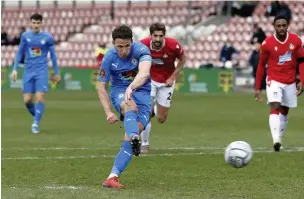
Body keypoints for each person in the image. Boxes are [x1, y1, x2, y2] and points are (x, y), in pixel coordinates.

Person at [98, 25, 152, 188]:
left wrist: (132, 86)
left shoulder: (142, 50)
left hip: (142, 91)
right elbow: (101, 86)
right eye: (119, 46)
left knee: (131, 134)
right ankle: (135, 137)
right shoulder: (108, 57)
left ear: (132, 42)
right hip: (120, 90)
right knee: (129, 106)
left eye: (127, 45)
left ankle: (112, 177)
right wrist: (108, 111)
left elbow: (144, 73)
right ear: (114, 44)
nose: (123, 50)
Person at [254, 15, 304, 152]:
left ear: (288, 26)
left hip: (290, 80)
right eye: (278, 25)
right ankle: (275, 139)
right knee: (275, 104)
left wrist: (302, 81)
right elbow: (261, 65)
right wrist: (257, 87)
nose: (281, 28)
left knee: (285, 109)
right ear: (274, 27)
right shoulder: (267, 44)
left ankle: (279, 141)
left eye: (284, 25)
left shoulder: (296, 40)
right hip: (274, 79)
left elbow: (301, 61)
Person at [140, 23, 186, 153]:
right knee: (145, 113)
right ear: (151, 35)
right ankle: (145, 145)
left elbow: (183, 60)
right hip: (149, 80)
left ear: (164, 35)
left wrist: (172, 76)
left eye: (161, 36)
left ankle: (155, 110)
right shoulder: (142, 45)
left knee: (161, 118)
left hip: (167, 81)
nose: (158, 39)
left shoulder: (173, 45)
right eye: (155, 36)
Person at [11, 13, 61, 134]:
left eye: (38, 23)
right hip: (28, 70)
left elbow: (53, 56)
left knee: (39, 97)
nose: (36, 25)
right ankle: (37, 115)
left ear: (41, 23)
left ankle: (35, 123)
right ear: (30, 23)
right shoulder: (25, 36)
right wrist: (14, 69)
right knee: (27, 100)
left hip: (41, 71)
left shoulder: (47, 37)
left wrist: (56, 72)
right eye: (34, 22)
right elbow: (19, 53)